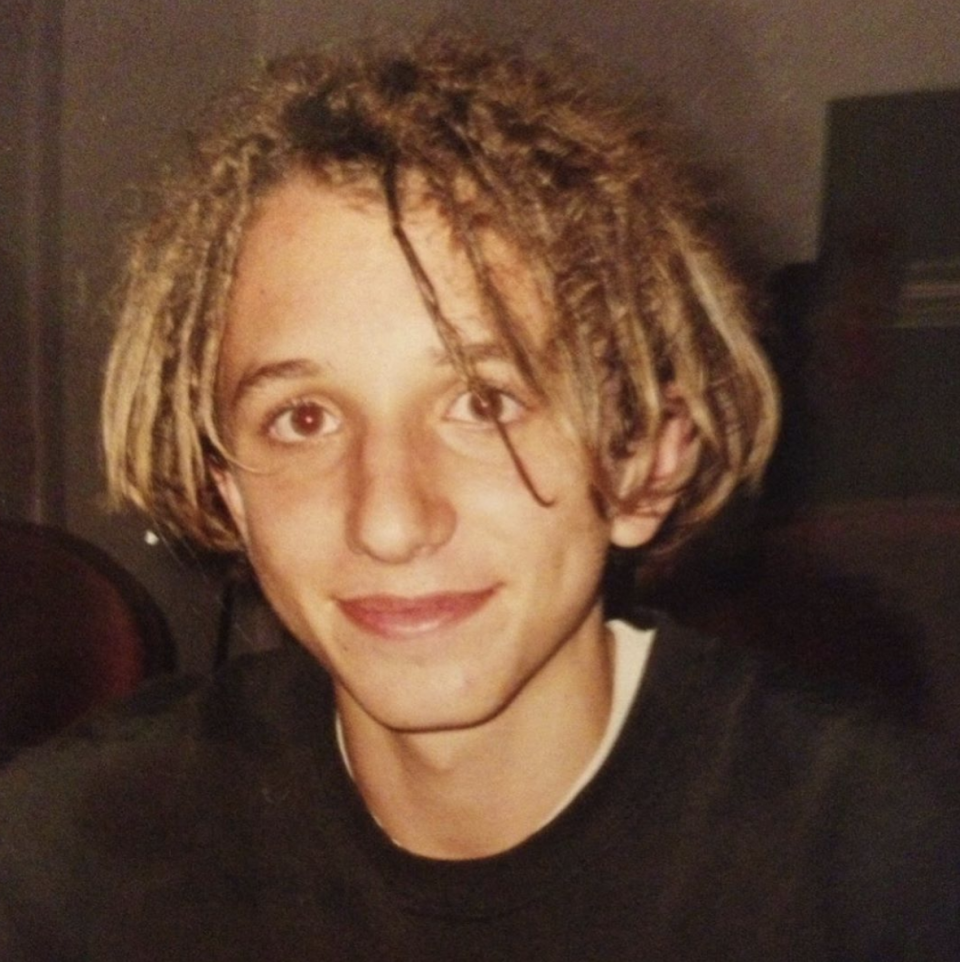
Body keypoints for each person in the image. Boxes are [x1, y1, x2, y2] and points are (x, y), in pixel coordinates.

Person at [0, 31, 957, 961]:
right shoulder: (69, 858)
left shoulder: (883, 863)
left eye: (485, 402)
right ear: (232, 493)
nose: (388, 519)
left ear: (646, 465)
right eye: (303, 419)